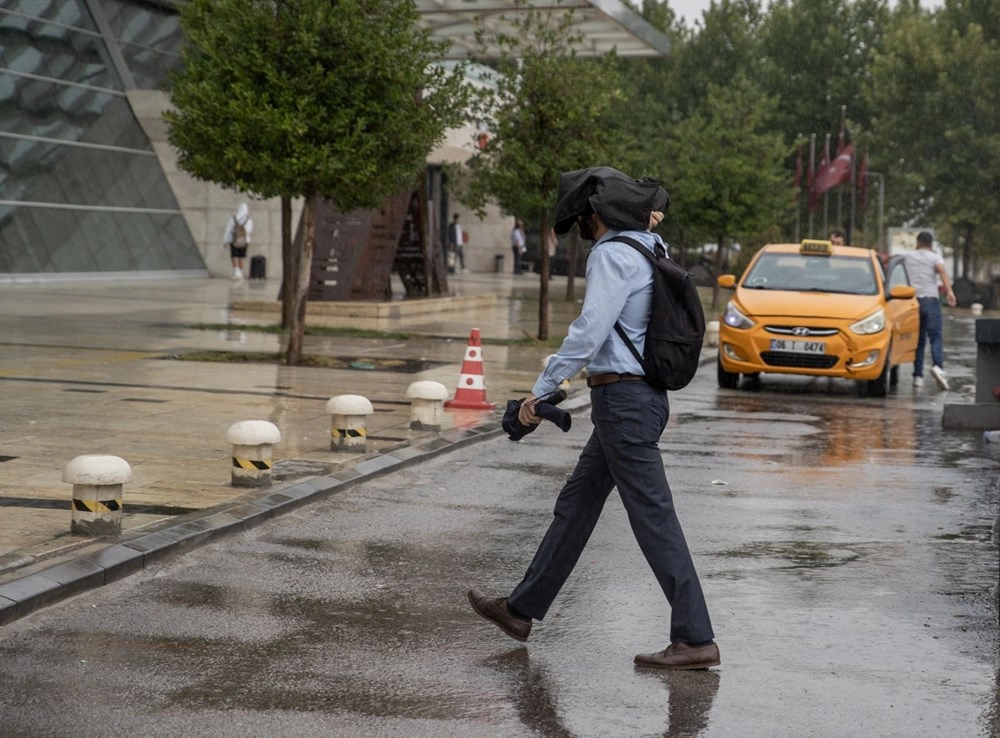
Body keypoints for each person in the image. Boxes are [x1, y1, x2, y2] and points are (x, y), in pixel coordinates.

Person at [467, 167, 719, 671]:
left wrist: (539, 391)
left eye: (581, 216)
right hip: (636, 401)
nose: (580, 225)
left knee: (654, 519)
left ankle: (695, 638)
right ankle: (520, 610)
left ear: (595, 214)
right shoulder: (649, 247)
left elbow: (589, 332)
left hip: (624, 404)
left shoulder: (611, 254)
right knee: (577, 505)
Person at [905, 231, 956, 390]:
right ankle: (938, 367)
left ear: (918, 242)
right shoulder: (934, 257)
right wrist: (949, 292)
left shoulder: (908, 257)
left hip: (913, 302)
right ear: (931, 244)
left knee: (919, 340)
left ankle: (917, 376)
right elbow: (942, 271)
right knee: (935, 337)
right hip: (930, 301)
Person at [224, 203, 253, 280]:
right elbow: (249, 230)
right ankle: (241, 271)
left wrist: (226, 240)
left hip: (234, 240)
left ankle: (236, 272)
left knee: (234, 255)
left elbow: (228, 229)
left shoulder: (233, 218)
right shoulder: (249, 220)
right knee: (241, 256)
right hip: (245, 241)